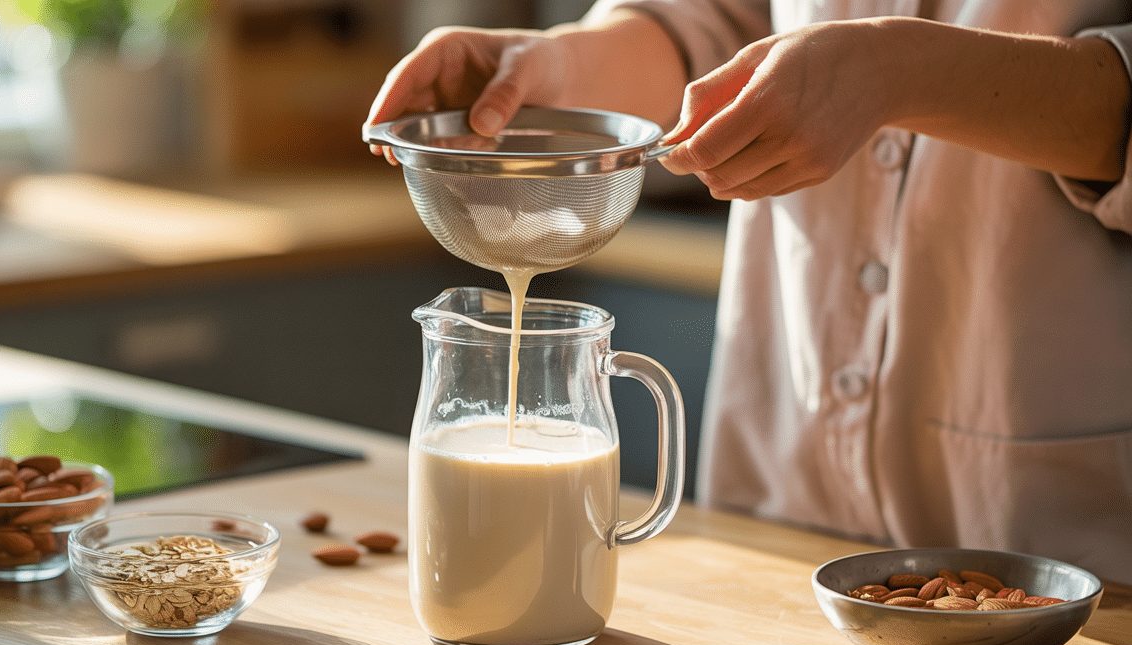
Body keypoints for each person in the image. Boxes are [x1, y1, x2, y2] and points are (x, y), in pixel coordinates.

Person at [364, 1, 1132, 584]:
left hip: (1051, 539)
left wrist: (905, 70)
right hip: (781, 511)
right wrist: (556, 68)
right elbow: (716, 22)